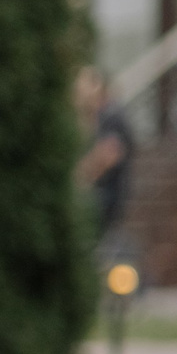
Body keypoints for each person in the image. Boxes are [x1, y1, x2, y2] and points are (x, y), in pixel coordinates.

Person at [74, 65, 134, 248]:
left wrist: (78, 177)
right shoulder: (96, 117)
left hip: (103, 200)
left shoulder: (111, 115)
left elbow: (109, 154)